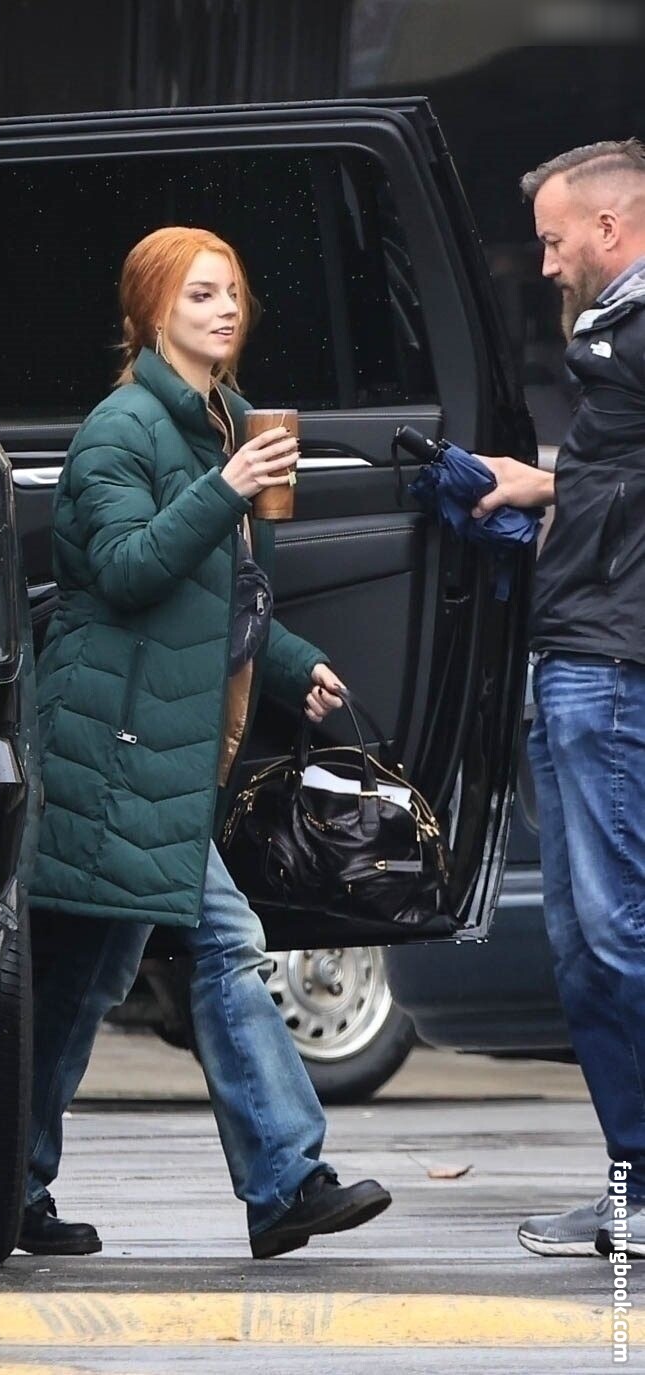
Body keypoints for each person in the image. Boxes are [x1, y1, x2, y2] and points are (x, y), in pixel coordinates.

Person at [20, 226, 392, 1260]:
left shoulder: (223, 419)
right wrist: (224, 487)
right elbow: (127, 569)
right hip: (113, 744)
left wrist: (290, 663)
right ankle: (285, 1180)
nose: (224, 309)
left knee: (80, 980)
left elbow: (222, 595)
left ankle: (5, 1180)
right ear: (149, 314)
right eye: (198, 295)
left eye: (231, 291)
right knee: (222, 943)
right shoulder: (121, 430)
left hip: (169, 743)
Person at [471, 140, 645, 1260]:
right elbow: (616, 474)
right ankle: (632, 1183)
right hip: (574, 655)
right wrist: (540, 484)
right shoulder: (613, 340)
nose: (542, 264)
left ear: (608, 230)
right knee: (583, 947)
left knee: (620, 935)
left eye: (551, 239)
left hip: (610, 667)